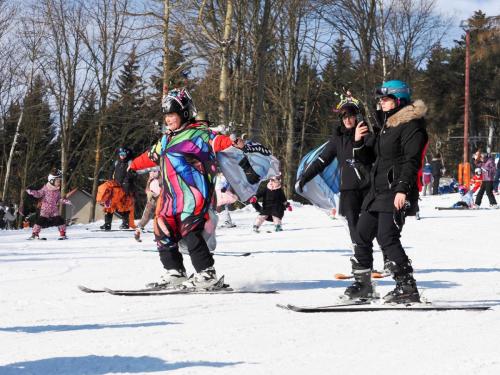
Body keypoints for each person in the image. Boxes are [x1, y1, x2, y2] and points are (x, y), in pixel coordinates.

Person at [129, 88, 242, 289]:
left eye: (172, 115)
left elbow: (217, 141)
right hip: (170, 199)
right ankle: (175, 272)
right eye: (166, 116)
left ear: (185, 114)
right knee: (162, 229)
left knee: (190, 231)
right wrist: (133, 164)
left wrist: (233, 142)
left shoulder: (198, 135)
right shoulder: (165, 140)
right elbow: (150, 155)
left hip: (193, 195)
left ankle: (207, 274)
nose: (168, 120)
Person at [345, 80, 428, 303]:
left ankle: (407, 286)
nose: (381, 103)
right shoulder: (387, 127)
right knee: (361, 235)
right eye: (380, 99)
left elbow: (412, 161)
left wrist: (403, 190)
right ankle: (364, 286)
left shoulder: (412, 126)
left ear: (399, 100)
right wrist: (359, 142)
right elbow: (372, 159)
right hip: (377, 191)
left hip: (396, 191)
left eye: (386, 99)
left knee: (387, 237)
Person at [296, 96, 372, 247]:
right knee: (353, 225)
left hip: (368, 187)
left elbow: (372, 157)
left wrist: (359, 140)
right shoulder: (337, 139)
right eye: (344, 117)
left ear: (357, 117)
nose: (347, 120)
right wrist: (304, 178)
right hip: (349, 189)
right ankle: (362, 262)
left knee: (373, 226)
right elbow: (322, 161)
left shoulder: (367, 134)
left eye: (351, 116)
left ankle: (388, 259)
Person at [26, 169, 71, 240]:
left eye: (59, 181)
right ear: (51, 181)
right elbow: (38, 194)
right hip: (45, 209)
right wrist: (32, 192)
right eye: (57, 181)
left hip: (54, 210)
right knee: (40, 221)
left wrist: (65, 201)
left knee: (60, 220)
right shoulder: (45, 188)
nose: (59, 182)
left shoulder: (57, 190)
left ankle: (63, 234)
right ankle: (34, 234)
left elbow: (59, 199)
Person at [100, 147, 136, 230]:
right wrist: (110, 180)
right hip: (115, 187)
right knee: (109, 206)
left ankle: (125, 223)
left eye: (124, 154)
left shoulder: (130, 162)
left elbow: (132, 174)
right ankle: (107, 224)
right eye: (120, 154)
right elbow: (111, 170)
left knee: (123, 206)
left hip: (125, 188)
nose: (122, 156)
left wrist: (126, 183)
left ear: (127, 154)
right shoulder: (117, 162)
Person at [134, 169, 161, 241]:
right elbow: (147, 189)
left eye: (154, 172)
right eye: (150, 173)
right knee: (146, 216)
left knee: (160, 217)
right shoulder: (150, 180)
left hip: (160, 200)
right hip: (151, 200)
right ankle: (138, 230)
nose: (152, 174)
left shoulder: (161, 179)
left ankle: (159, 234)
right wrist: (149, 192)